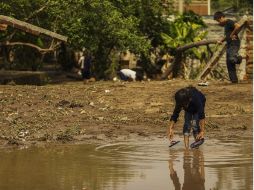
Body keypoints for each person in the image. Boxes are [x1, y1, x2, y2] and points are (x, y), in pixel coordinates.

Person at [214, 11, 242, 83]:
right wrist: (221, 41)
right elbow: (227, 35)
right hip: (230, 44)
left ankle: (239, 59)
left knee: (231, 58)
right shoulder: (226, 25)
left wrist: (232, 34)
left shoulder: (229, 22)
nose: (219, 22)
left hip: (234, 43)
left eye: (218, 20)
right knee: (229, 63)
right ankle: (234, 80)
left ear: (222, 17)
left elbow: (238, 26)